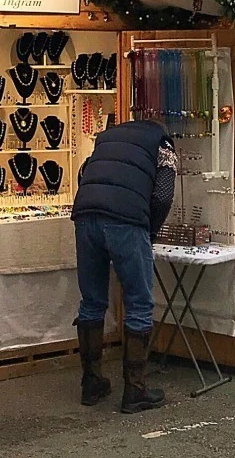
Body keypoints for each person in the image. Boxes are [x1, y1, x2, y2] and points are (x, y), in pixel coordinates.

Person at [70, 118, 176, 413]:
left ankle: (91, 383)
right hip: (126, 220)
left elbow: (84, 174)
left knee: (91, 301)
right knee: (139, 303)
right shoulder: (162, 143)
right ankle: (135, 390)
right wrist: (149, 231)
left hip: (86, 214)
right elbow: (164, 194)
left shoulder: (105, 139)